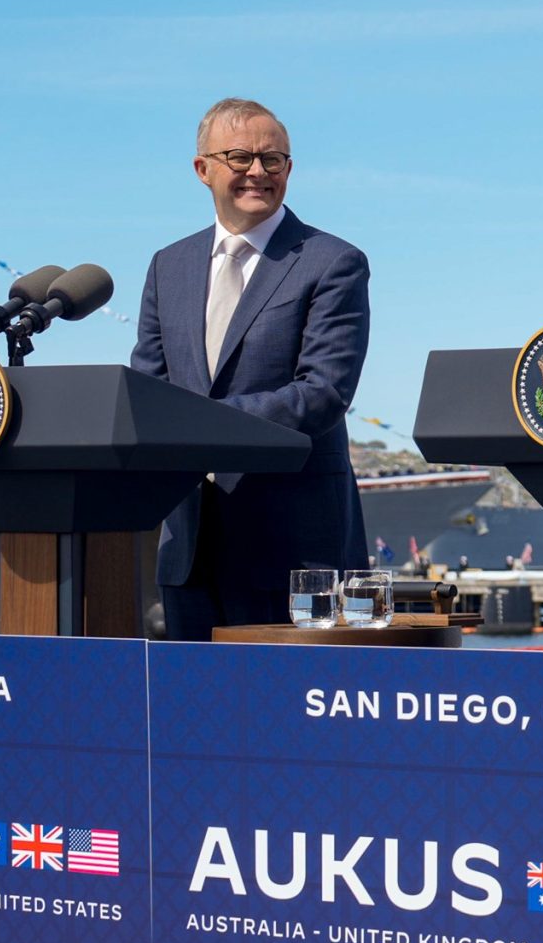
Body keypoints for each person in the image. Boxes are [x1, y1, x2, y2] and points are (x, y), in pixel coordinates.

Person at [130, 98, 371, 641]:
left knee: (289, 716)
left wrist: (198, 424)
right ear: (203, 169)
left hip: (293, 546)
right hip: (188, 544)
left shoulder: (332, 261)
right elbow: (147, 385)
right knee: (193, 714)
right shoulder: (169, 266)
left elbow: (323, 392)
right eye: (240, 157)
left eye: (274, 160)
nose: (258, 172)